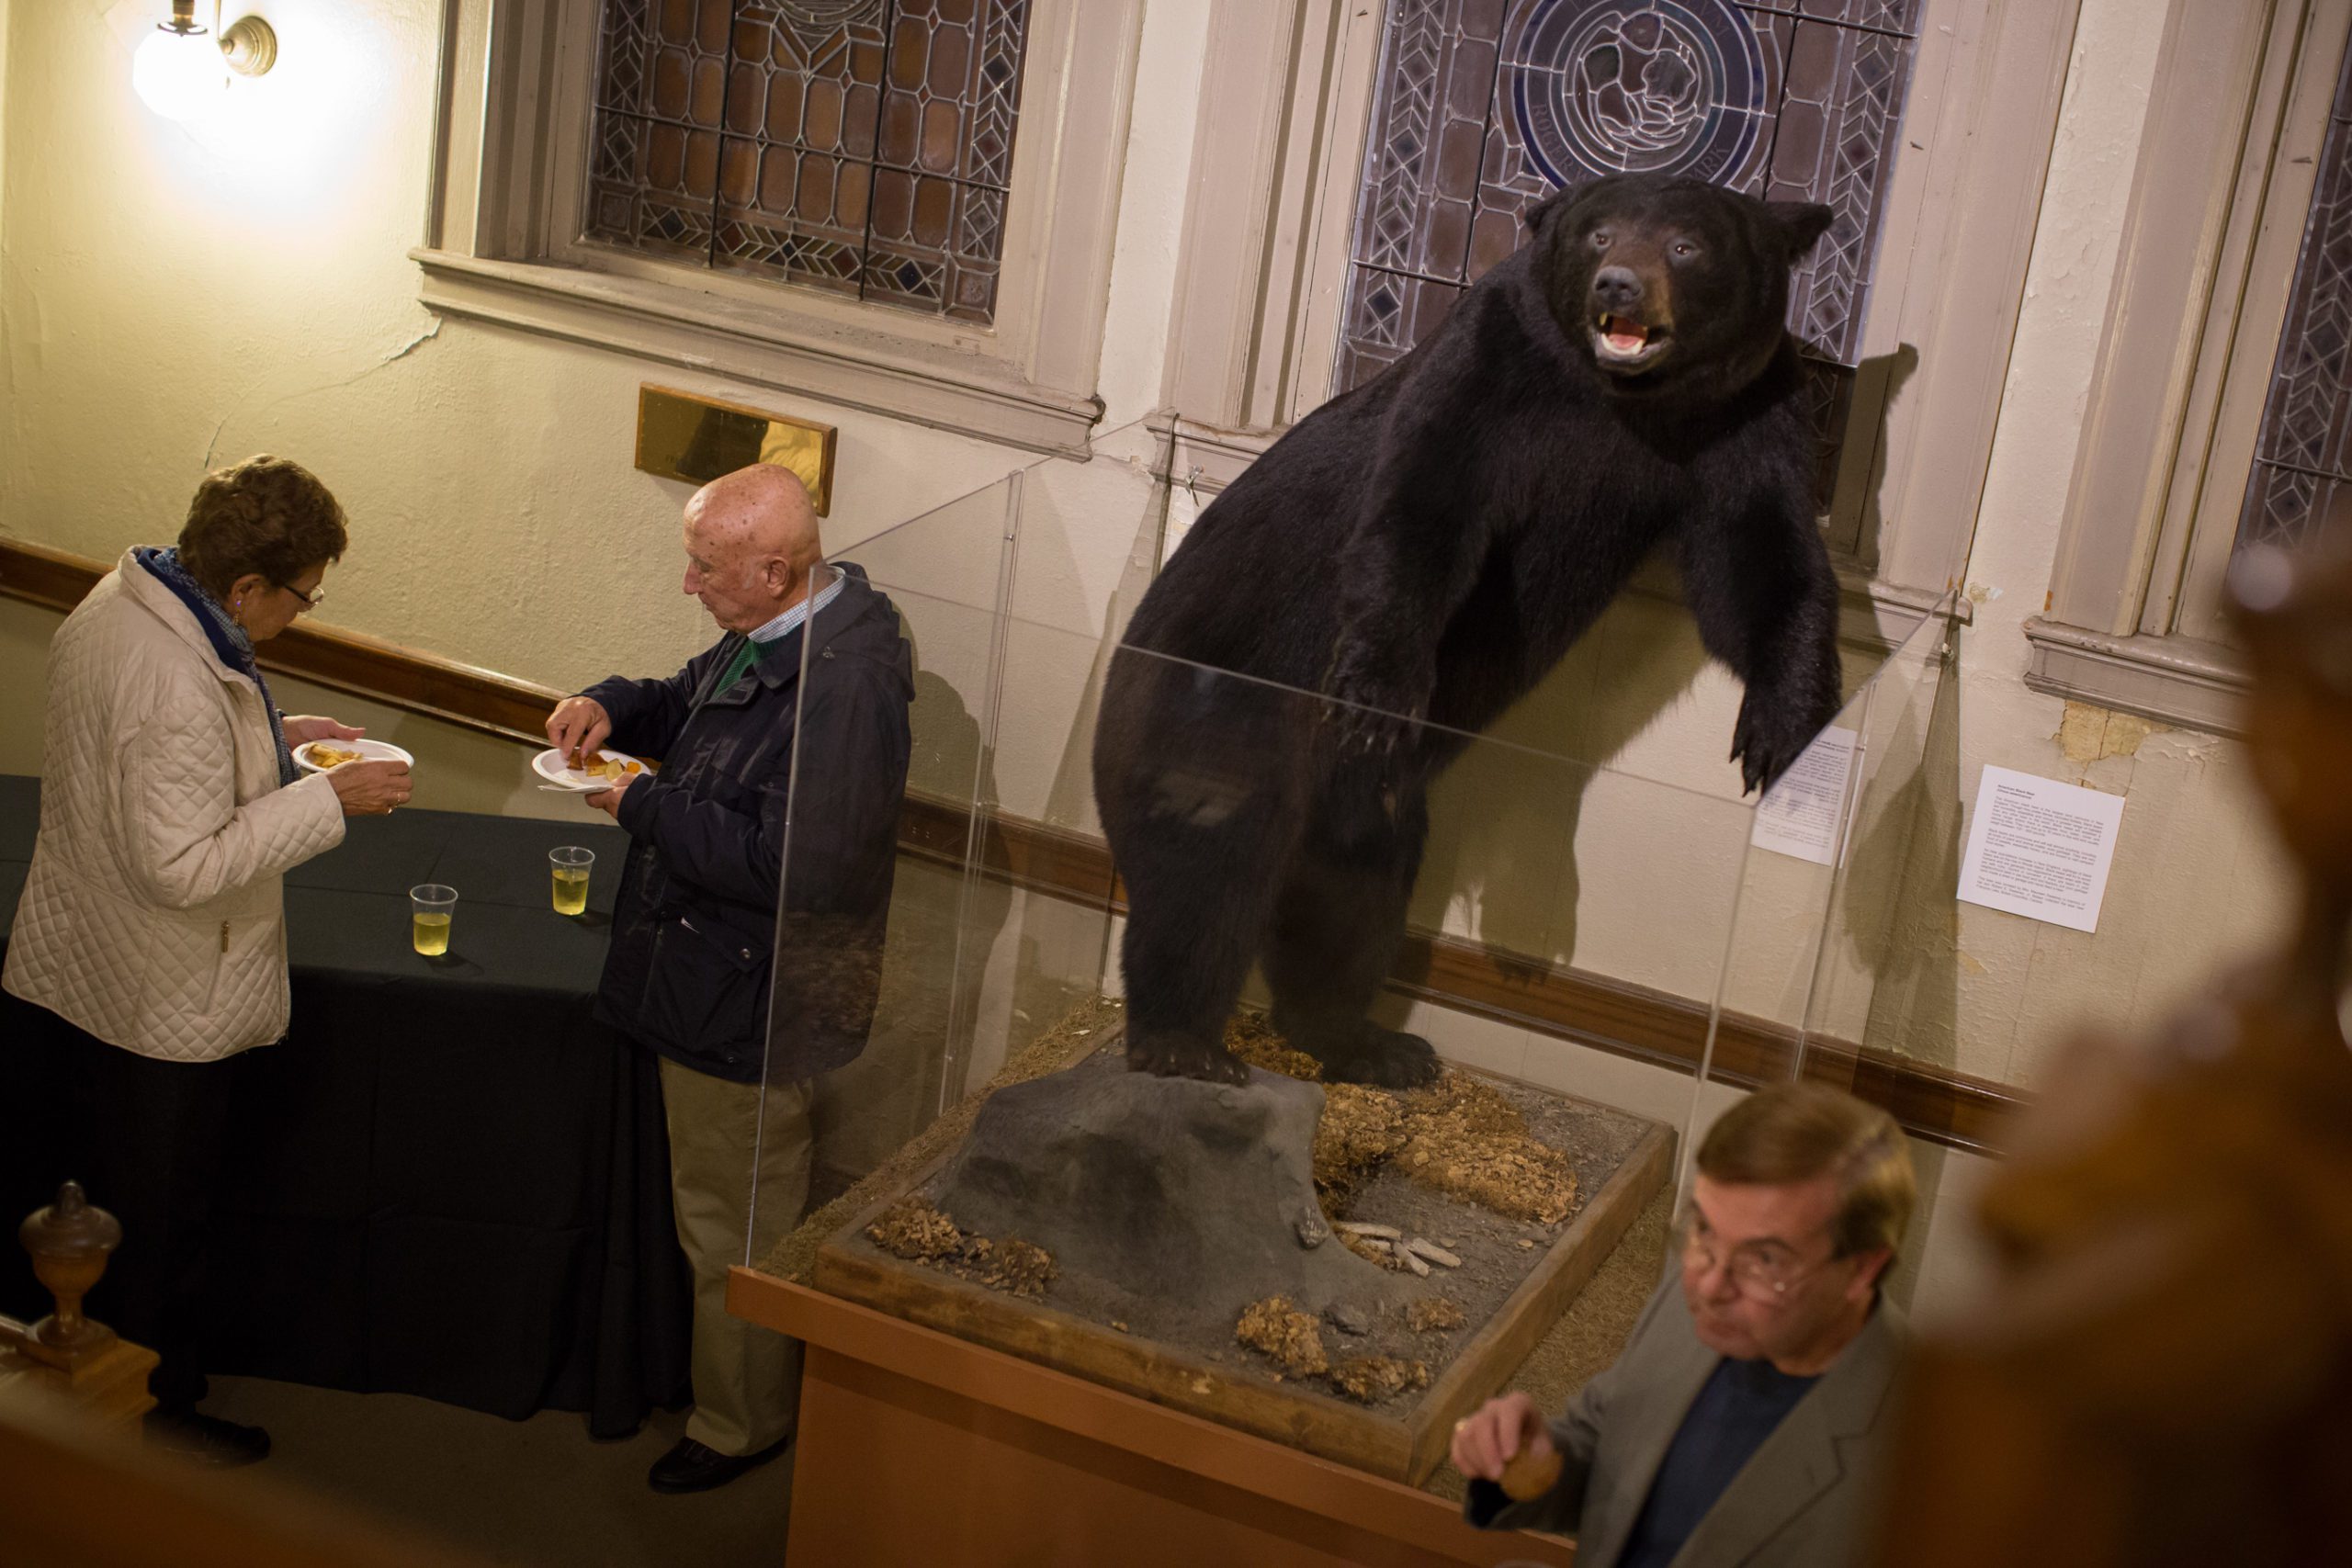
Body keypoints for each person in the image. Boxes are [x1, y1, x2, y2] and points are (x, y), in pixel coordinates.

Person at [3, 455, 412, 1467]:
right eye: (303, 597)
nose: (302, 614)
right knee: (158, 1231)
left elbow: (146, 775)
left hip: (79, 959)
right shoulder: (181, 684)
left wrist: (276, 742)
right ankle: (155, 1428)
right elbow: (182, 866)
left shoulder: (119, 601)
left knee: (86, 1204)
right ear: (244, 589)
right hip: (160, 1000)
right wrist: (328, 800)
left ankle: (68, 1396)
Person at [548, 464, 912, 1495]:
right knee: (712, 1211)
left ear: (773, 567)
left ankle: (740, 1421)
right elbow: (685, 701)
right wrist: (610, 708)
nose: (687, 583)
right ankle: (708, 1385)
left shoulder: (845, 687)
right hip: (706, 976)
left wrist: (641, 811)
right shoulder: (779, 631)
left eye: (704, 567)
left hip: (753, 1000)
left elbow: (798, 868)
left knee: (736, 1225)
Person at [1452, 1082, 1914, 1568]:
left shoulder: (1928, 1450)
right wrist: (1538, 1458)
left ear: (1862, 1269)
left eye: (1764, 1260)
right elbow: (1604, 1446)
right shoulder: (1688, 1299)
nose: (1710, 1286)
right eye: (1705, 1232)